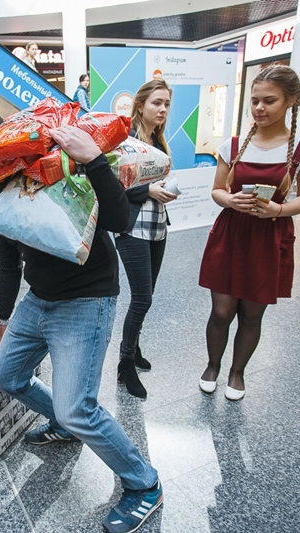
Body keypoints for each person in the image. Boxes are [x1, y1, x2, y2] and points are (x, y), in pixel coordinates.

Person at [0, 109, 163, 533]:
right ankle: (64, 426)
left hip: (88, 299)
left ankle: (144, 484)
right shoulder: (2, 191)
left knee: (78, 408)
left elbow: (120, 222)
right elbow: (9, 263)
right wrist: (1, 318)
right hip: (39, 299)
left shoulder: (62, 166)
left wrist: (93, 159)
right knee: (7, 376)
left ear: (2, 143)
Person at [198, 64, 300, 401]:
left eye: (269, 101)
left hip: (269, 237)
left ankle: (237, 373)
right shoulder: (234, 144)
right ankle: (212, 366)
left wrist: (278, 210)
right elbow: (217, 189)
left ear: (290, 101)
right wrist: (231, 200)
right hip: (232, 232)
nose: (260, 108)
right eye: (254, 101)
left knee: (252, 313)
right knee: (221, 310)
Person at [114, 79, 177, 398]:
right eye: (156, 103)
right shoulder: (125, 141)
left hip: (158, 226)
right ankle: (125, 365)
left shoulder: (160, 141)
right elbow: (113, 185)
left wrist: (168, 190)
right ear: (140, 106)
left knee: (146, 293)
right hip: (132, 228)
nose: (163, 108)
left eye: (166, 103)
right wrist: (147, 190)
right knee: (143, 298)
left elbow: (163, 178)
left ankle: (134, 348)